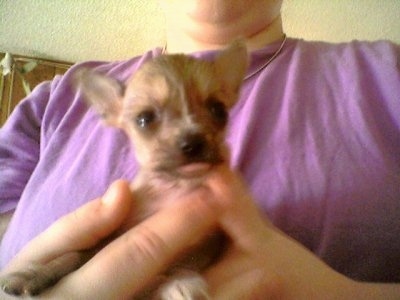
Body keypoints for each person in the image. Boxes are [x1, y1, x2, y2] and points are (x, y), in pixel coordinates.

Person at [0, 0, 399, 298]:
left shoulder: (389, 73)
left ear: (230, 88)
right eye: (147, 119)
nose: (189, 135)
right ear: (111, 111)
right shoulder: (51, 101)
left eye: (213, 110)